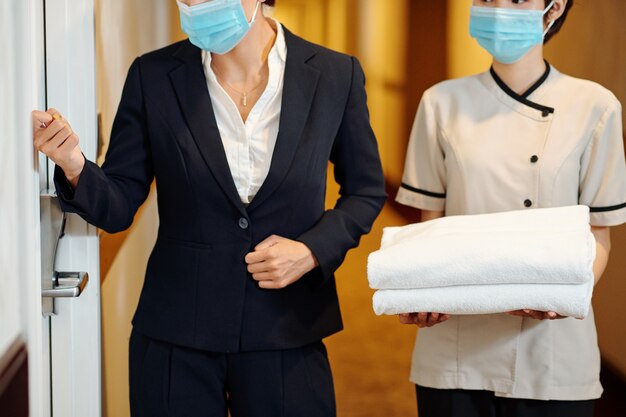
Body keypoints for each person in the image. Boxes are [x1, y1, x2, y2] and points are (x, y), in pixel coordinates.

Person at [32, 0, 386, 415]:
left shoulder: (334, 75)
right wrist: (75, 165)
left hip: (288, 327)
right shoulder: (153, 76)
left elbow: (365, 190)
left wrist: (311, 251)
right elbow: (120, 204)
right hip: (176, 331)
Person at [396, 0, 626, 416]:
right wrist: (421, 294)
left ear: (553, 8)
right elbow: (431, 228)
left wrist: (563, 296)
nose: (499, 7)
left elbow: (598, 235)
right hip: (455, 349)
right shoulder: (440, 102)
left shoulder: (595, 106)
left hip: (552, 352)